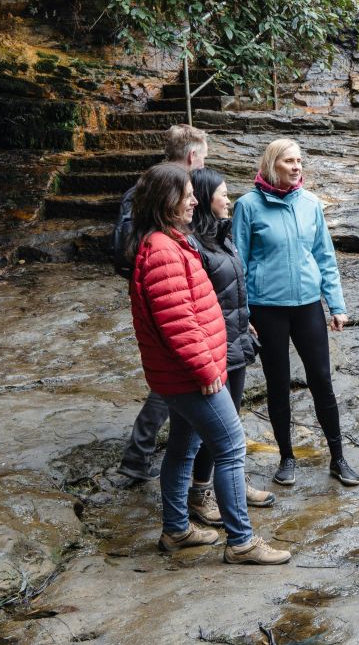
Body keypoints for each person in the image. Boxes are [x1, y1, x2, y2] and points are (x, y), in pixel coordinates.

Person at [127, 162, 290, 565]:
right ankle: (241, 541)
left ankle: (177, 530)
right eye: (187, 194)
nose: (194, 200)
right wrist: (207, 372)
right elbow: (179, 324)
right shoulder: (163, 250)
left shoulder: (168, 241)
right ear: (168, 200)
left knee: (183, 447)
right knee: (232, 446)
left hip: (185, 373)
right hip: (191, 375)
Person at [232, 139, 359, 487]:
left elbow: (324, 256)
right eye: (289, 161)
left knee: (322, 379)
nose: (296, 167)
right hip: (267, 309)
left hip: (307, 306)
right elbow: (237, 266)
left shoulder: (310, 204)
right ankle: (286, 457)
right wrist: (243, 315)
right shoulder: (247, 206)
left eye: (299, 161)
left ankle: (338, 457)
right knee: (278, 384)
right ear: (273, 164)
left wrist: (336, 305)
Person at [115, 124, 208, 483]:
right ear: (191, 156)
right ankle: (140, 454)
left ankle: (141, 455)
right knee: (174, 376)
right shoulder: (178, 194)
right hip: (168, 292)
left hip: (156, 291)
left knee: (170, 376)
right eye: (202, 158)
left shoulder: (142, 187)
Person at [183, 168, 275, 527]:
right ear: (207, 199)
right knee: (218, 426)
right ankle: (200, 492)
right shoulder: (195, 245)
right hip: (212, 344)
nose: (229, 199)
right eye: (223, 193)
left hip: (235, 337)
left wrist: (245, 319)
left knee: (232, 416)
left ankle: (232, 483)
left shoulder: (223, 235)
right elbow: (197, 303)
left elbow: (233, 287)